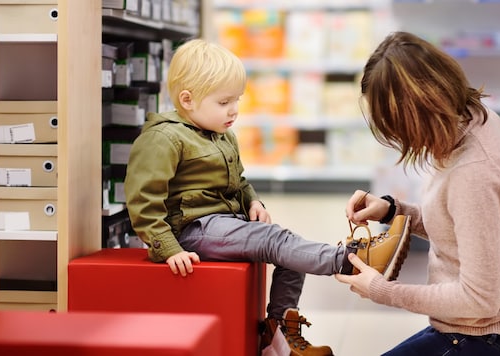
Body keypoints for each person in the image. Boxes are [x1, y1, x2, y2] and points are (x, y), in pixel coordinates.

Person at [123, 38, 412, 356]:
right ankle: (350, 260)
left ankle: (278, 337)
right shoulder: (163, 138)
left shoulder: (221, 134)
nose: (233, 110)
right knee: (275, 239)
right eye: (223, 103)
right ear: (188, 100)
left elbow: (239, 182)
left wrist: (253, 202)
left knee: (291, 256)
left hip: (221, 224)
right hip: (190, 231)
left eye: (237, 100)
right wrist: (167, 248)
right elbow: (142, 199)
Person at [335, 31, 500, 356]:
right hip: (481, 329)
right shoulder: (475, 120)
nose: (396, 135)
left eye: (393, 124)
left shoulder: (472, 172)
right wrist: (394, 210)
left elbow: (479, 299)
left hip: (492, 340)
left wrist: (383, 291)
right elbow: (461, 225)